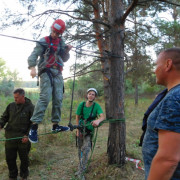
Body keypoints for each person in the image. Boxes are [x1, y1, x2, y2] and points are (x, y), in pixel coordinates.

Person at [27, 19, 72, 143]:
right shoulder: (44, 41)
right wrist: (32, 68)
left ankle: (55, 125)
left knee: (58, 98)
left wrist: (67, 50)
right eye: (54, 32)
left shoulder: (61, 42)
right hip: (46, 71)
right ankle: (34, 127)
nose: (55, 34)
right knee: (45, 97)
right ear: (51, 29)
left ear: (61, 33)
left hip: (58, 72)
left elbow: (64, 58)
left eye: (58, 33)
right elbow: (33, 55)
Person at [142, 47, 180, 180]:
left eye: (156, 65)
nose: (154, 70)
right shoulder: (171, 95)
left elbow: (168, 159)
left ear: (168, 65)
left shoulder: (175, 98)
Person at [0, 88, 34, 180]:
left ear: (23, 96)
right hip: (10, 137)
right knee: (10, 159)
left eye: (17, 97)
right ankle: (12, 176)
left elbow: (33, 124)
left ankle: (24, 175)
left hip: (23, 138)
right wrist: (1, 124)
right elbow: (4, 118)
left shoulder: (30, 107)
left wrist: (27, 135)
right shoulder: (11, 106)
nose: (15, 99)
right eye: (14, 97)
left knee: (24, 160)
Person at [75, 88, 105, 180]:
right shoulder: (82, 105)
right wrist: (77, 130)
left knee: (86, 150)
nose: (91, 95)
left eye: (93, 94)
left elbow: (102, 116)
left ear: (95, 97)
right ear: (87, 95)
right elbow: (77, 117)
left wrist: (98, 120)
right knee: (80, 149)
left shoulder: (96, 106)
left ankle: (81, 172)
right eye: (89, 94)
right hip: (80, 129)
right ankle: (80, 168)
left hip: (89, 131)